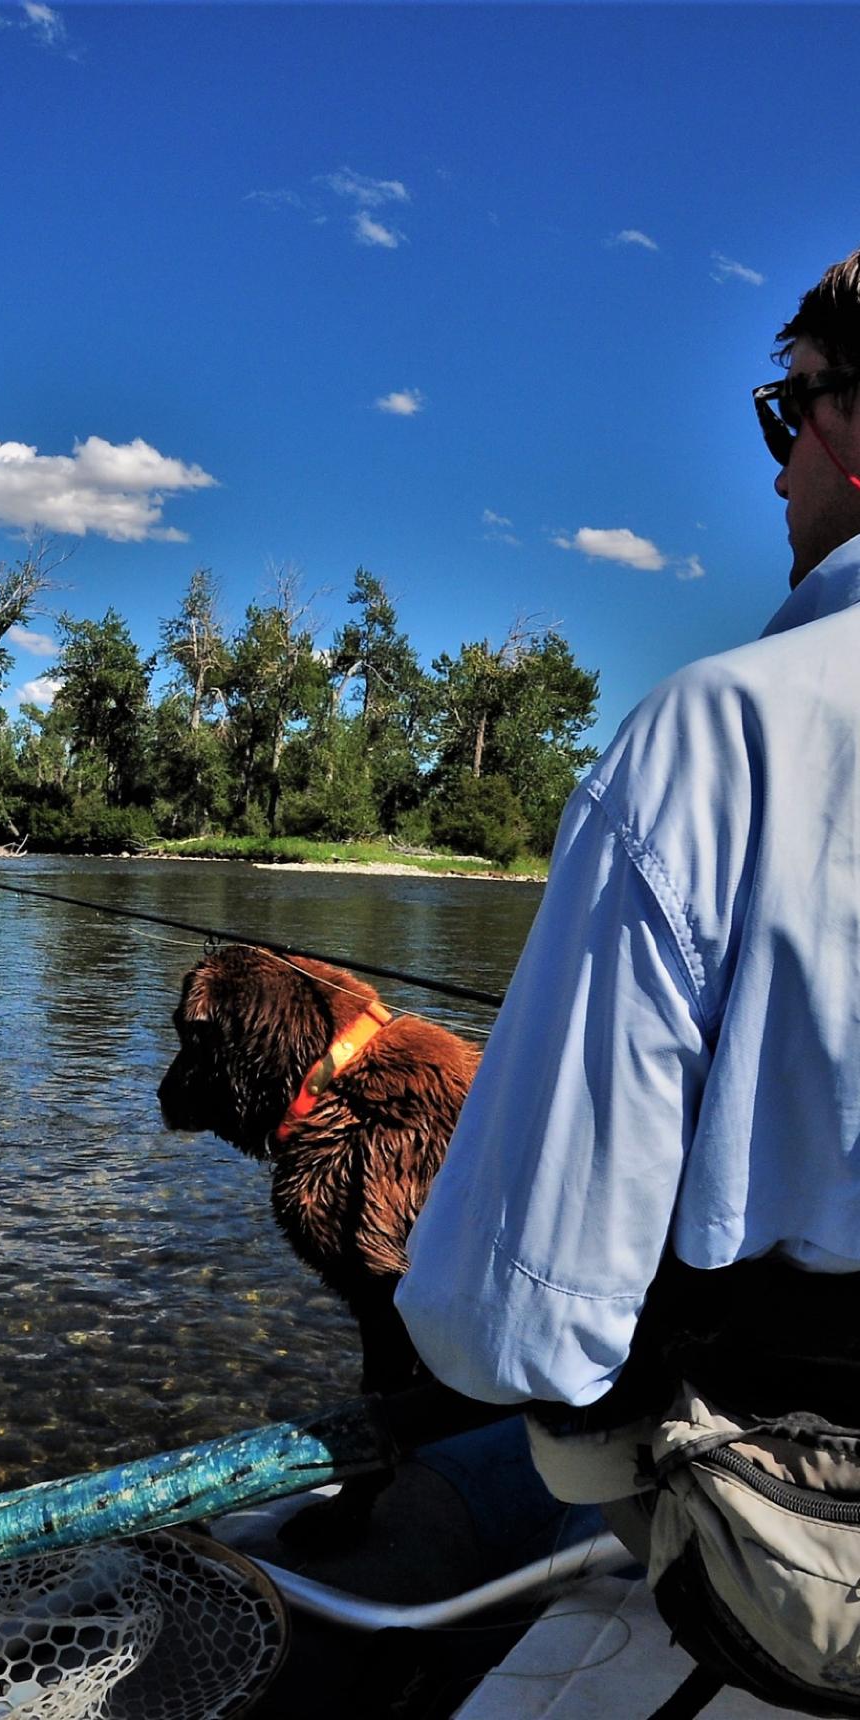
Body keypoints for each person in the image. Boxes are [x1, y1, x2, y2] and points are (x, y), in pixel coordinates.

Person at [393, 251, 860, 1712]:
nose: (780, 472)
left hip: (809, 1581)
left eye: (788, 414)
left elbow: (509, 1327)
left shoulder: (719, 739)